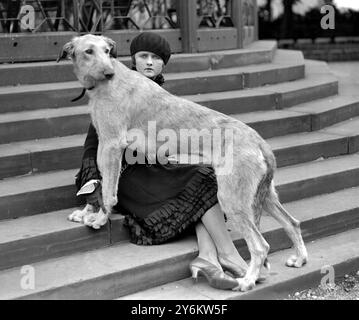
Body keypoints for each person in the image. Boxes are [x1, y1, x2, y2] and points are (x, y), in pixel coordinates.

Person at [75, 32, 250, 290]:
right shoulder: (112, 92)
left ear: (163, 64)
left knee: (207, 172)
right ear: (132, 60)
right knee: (201, 179)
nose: (148, 62)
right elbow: (96, 146)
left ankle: (209, 257)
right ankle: (225, 255)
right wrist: (94, 185)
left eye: (155, 58)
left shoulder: (160, 97)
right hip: (129, 176)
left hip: (158, 168)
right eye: (143, 56)